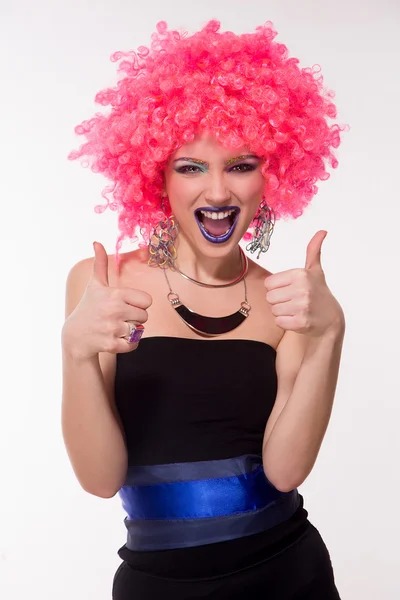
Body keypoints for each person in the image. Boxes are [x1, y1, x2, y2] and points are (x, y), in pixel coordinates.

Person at [61, 20, 346, 599]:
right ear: (155, 175)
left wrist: (329, 336)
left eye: (241, 165)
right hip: (158, 586)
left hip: (289, 575)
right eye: (191, 167)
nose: (218, 194)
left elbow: (286, 472)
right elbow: (98, 479)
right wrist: (76, 352)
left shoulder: (286, 302)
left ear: (273, 175)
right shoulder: (105, 285)